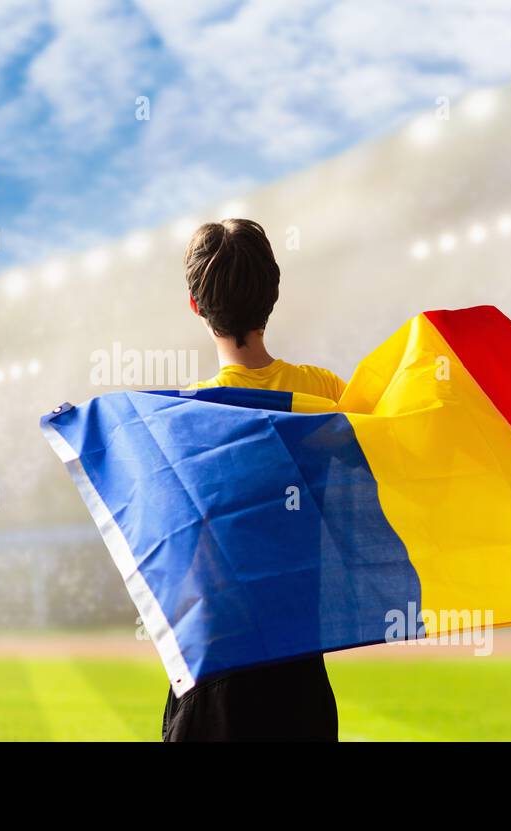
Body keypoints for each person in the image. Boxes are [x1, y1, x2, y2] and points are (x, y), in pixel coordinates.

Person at [161, 218, 343, 742]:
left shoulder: (180, 422)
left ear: (195, 305)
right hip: (299, 675)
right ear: (273, 294)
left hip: (212, 669)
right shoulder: (327, 395)